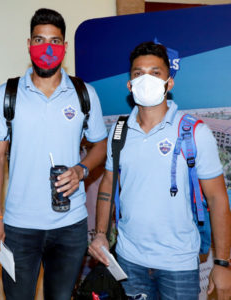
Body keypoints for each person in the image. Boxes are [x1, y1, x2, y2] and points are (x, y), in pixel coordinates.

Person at [0, 8, 107, 300]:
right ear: (29, 45)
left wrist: (81, 170)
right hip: (18, 226)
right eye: (39, 40)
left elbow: (100, 146)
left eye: (54, 41)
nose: (46, 48)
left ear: (64, 47)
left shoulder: (84, 93)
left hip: (70, 225)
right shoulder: (7, 93)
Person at [89, 41, 231, 299]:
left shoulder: (194, 132)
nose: (146, 79)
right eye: (138, 73)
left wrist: (221, 263)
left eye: (155, 73)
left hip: (178, 265)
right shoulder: (118, 133)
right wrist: (100, 234)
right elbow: (108, 185)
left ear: (169, 82)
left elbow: (218, 199)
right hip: (129, 261)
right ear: (129, 85)